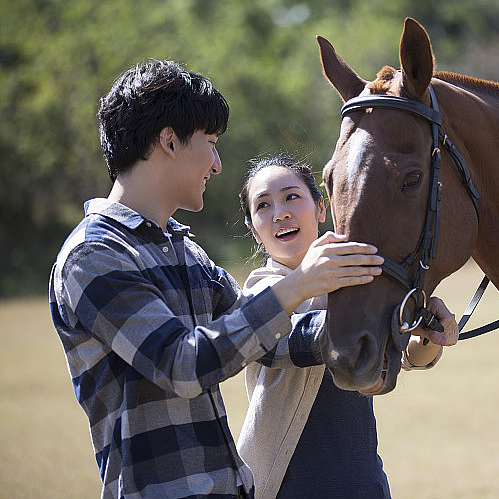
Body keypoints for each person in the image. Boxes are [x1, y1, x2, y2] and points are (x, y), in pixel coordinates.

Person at [48, 59, 384, 499]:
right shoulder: (95, 255)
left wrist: (394, 321)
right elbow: (181, 364)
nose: (217, 163)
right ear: (169, 141)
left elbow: (275, 340)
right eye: (209, 142)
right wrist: (299, 283)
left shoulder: (185, 252)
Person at [235, 155, 459, 499]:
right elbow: (285, 340)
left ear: (321, 208)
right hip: (285, 487)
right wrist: (384, 315)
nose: (280, 212)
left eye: (292, 197)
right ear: (253, 227)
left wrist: (426, 332)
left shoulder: (355, 285)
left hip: (363, 482)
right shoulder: (260, 292)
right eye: (263, 205)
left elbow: (406, 357)